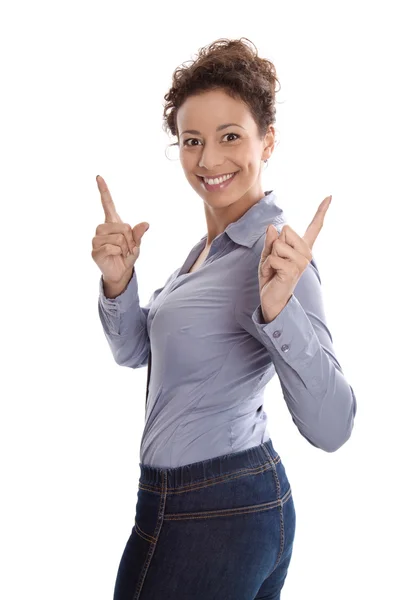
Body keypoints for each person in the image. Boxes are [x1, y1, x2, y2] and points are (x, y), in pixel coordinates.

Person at [92, 38, 357, 600]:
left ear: (268, 140)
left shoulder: (279, 262)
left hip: (210, 510)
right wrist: (119, 281)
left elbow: (333, 427)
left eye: (230, 136)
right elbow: (137, 352)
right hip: (212, 502)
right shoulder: (205, 251)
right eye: (193, 141)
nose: (209, 160)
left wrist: (281, 309)